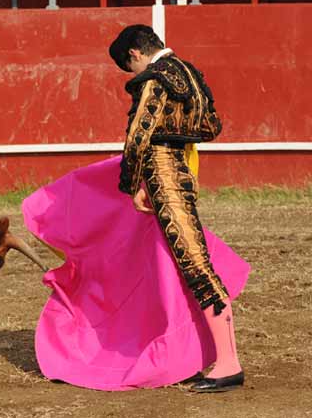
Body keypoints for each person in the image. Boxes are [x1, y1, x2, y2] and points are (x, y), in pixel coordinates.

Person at [108, 24, 243, 392]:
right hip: (184, 170)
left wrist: (132, 183)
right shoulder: (191, 75)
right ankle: (222, 359)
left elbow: (138, 135)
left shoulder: (155, 79)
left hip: (164, 176)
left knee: (195, 264)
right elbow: (211, 126)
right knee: (192, 261)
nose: (132, 73)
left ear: (135, 54)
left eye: (128, 66)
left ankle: (229, 363)